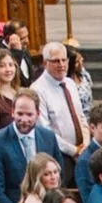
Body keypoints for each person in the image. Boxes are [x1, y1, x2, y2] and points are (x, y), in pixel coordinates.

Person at [30, 38, 87, 168]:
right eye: (56, 61)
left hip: (81, 151)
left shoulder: (70, 84)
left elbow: (81, 116)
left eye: (64, 60)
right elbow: (45, 130)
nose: (61, 65)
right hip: (58, 155)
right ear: (45, 63)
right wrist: (73, 150)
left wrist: (85, 144)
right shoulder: (37, 90)